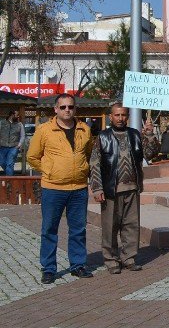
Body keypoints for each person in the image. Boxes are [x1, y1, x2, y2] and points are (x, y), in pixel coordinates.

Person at [26, 94, 95, 283]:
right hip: (53, 188)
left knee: (78, 229)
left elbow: (88, 154)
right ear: (55, 109)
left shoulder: (84, 129)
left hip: (79, 188)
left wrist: (84, 171)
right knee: (49, 229)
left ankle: (78, 265)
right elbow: (32, 157)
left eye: (70, 107)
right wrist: (49, 170)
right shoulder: (44, 130)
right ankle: (48, 268)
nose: (67, 110)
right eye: (63, 107)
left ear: (75, 109)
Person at [88, 103, 160, 274]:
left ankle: (129, 258)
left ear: (127, 116)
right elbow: (94, 163)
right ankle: (111, 260)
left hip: (132, 188)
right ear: (110, 117)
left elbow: (150, 154)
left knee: (131, 225)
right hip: (111, 189)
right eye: (117, 115)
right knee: (110, 226)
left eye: (123, 115)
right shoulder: (103, 137)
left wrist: (149, 135)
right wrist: (97, 188)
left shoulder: (135, 135)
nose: (120, 118)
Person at [0, 109, 25, 175]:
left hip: (14, 147)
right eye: (17, 115)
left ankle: (9, 181)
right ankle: (11, 175)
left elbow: (22, 135)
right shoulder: (2, 123)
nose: (18, 117)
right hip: (2, 147)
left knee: (10, 163)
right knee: (1, 162)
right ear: (12, 115)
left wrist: (19, 145)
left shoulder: (20, 124)